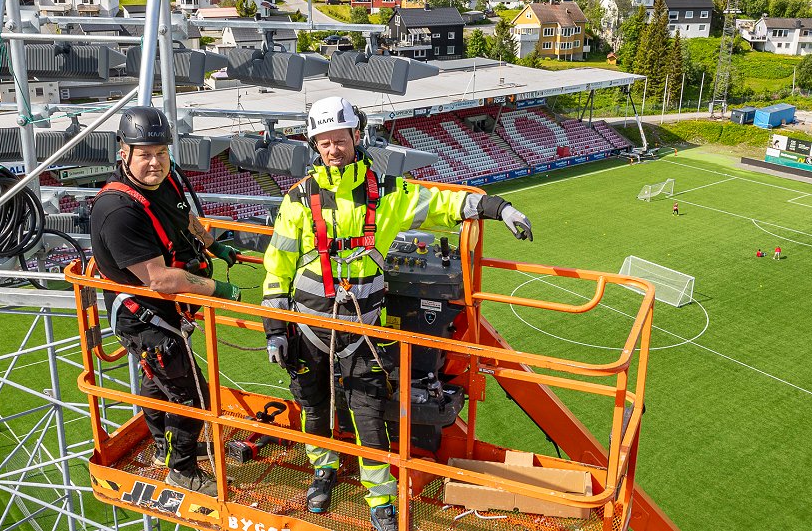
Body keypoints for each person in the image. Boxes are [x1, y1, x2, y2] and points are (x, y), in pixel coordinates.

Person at [261, 97, 533, 531]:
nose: (333, 149)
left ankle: (380, 501)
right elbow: (277, 268)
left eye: (340, 140)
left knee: (369, 417)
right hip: (308, 327)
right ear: (315, 146)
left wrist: (498, 207)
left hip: (362, 330)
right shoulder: (296, 201)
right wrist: (276, 329)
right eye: (324, 142)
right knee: (314, 407)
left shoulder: (388, 193)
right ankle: (322, 471)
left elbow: (445, 203)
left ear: (357, 137)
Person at [88, 106, 243, 496]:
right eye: (145, 154)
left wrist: (212, 245)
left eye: (161, 152)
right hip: (144, 316)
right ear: (124, 153)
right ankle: (183, 468)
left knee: (159, 384)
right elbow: (159, 278)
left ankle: (162, 448)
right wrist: (219, 290)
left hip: (162, 313)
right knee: (192, 396)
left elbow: (183, 216)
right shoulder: (119, 211)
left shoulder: (163, 182)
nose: (155, 162)